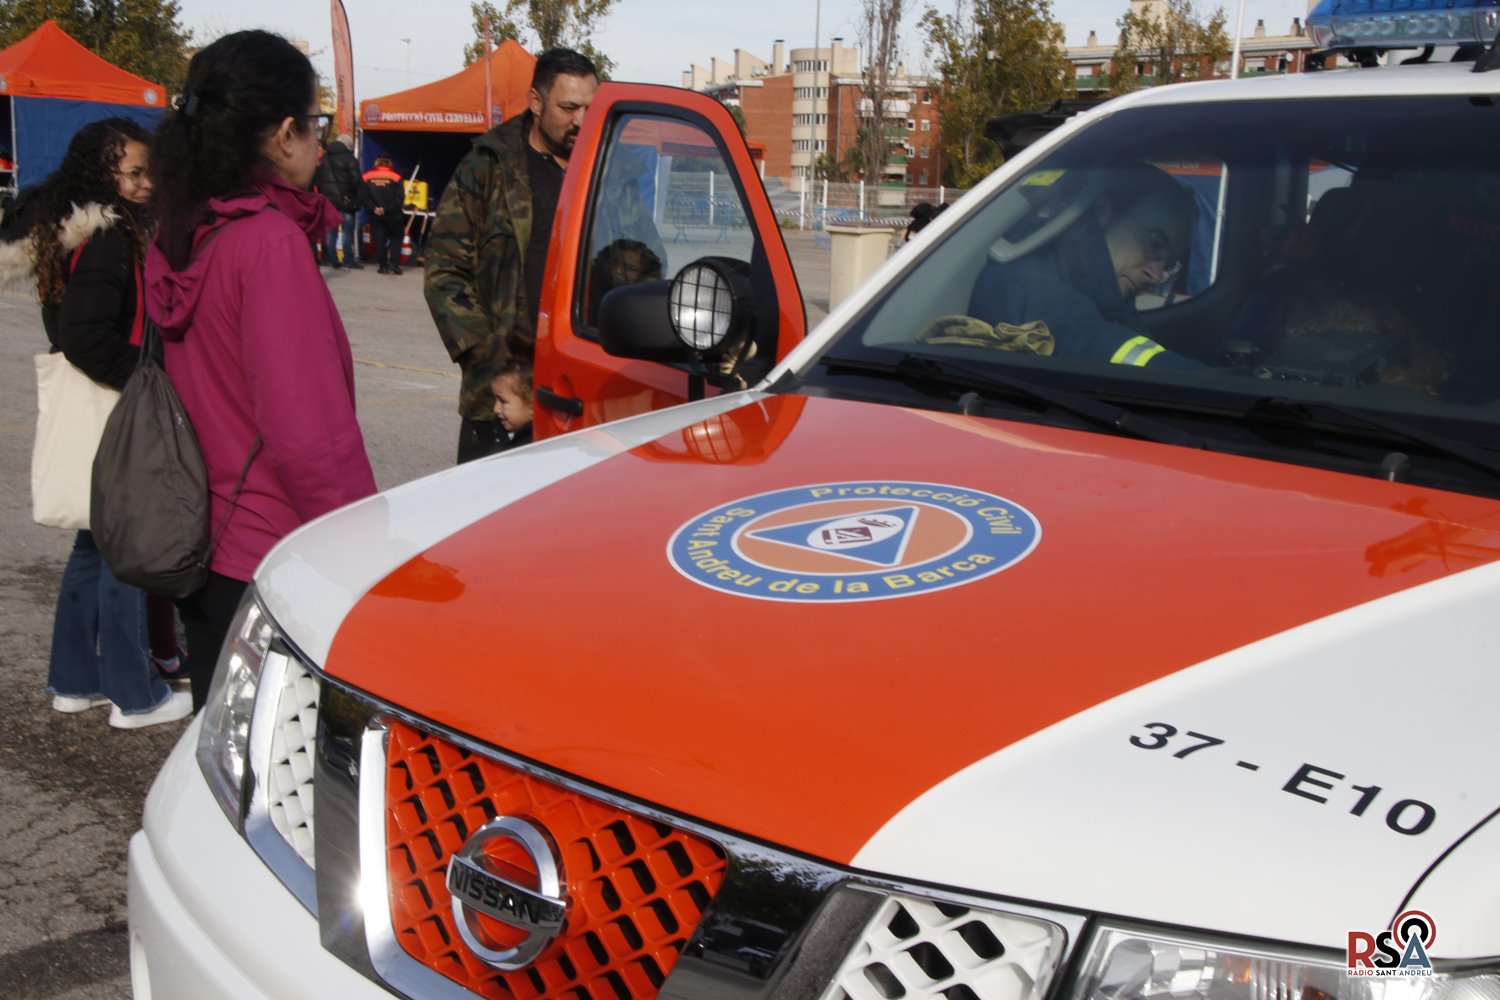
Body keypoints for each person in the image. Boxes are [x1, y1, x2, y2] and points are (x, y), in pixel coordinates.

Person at [146, 30, 377, 710]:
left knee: (216, 743)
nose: (318, 144)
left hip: (200, 537)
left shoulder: (184, 230)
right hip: (270, 557)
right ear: (283, 134)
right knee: (274, 761)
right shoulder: (267, 244)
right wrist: (364, 549)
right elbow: (310, 438)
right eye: (314, 125)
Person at [0, 118, 191, 729]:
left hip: (88, 409)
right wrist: (145, 379)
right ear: (102, 173)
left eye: (148, 171)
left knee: (91, 546)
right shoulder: (109, 234)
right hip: (111, 409)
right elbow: (84, 335)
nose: (145, 182)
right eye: (133, 172)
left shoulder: (75, 227)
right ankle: (135, 696)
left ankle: (74, 680)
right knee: (122, 549)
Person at [425, 47, 599, 464]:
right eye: (568, 108)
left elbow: (636, 265)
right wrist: (490, 357)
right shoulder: (488, 166)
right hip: (501, 399)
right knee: (491, 504)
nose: (580, 120)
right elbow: (445, 272)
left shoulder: (606, 170)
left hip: (585, 391)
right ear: (536, 102)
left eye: (589, 109)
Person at [969, 164, 1202, 369]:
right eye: (1155, 245)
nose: (1157, 275)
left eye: (1168, 264)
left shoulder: (1111, 300)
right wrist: (1205, 382)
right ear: (1102, 211)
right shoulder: (1023, 284)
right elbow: (1087, 339)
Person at [314, 132, 365, 269]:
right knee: (347, 232)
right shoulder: (350, 159)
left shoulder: (324, 158)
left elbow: (318, 180)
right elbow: (356, 181)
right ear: (348, 145)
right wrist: (356, 196)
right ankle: (348, 260)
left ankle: (332, 259)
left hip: (329, 202)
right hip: (347, 201)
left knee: (331, 232)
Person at [362, 154, 406, 274]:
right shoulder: (396, 177)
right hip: (393, 214)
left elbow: (364, 196)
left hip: (375, 215)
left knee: (379, 239)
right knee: (396, 238)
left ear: (377, 162)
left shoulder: (367, 176)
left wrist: (374, 208)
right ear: (389, 162)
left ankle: (383, 266)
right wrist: (386, 209)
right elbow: (399, 199)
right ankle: (394, 264)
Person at [490, 355, 535, 447]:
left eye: (503, 401)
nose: (495, 409)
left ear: (532, 406)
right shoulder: (500, 430)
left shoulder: (531, 447)